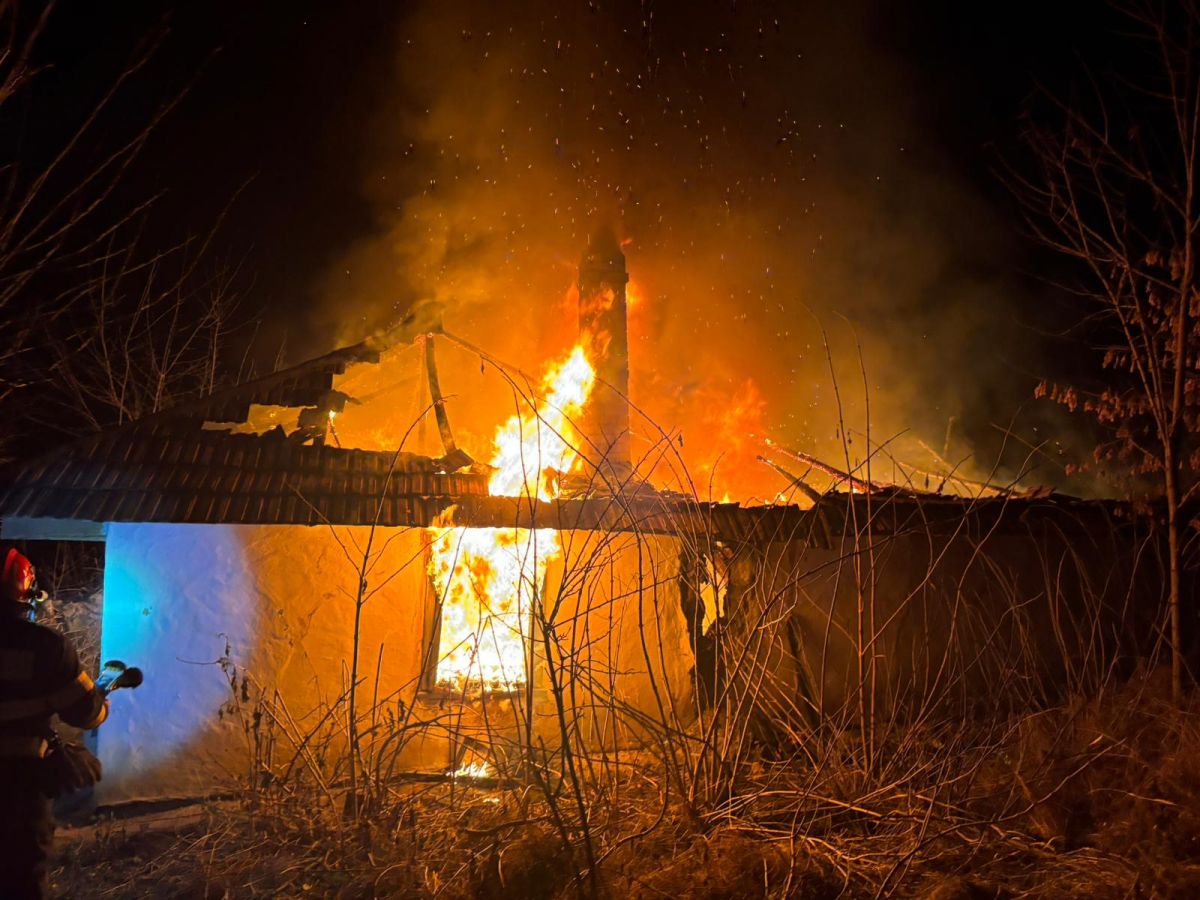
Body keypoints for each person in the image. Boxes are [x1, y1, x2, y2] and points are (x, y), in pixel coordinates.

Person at [0, 548, 107, 900]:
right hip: (19, 791)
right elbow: (86, 714)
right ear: (25, 594)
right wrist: (101, 702)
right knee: (21, 882)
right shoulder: (45, 647)